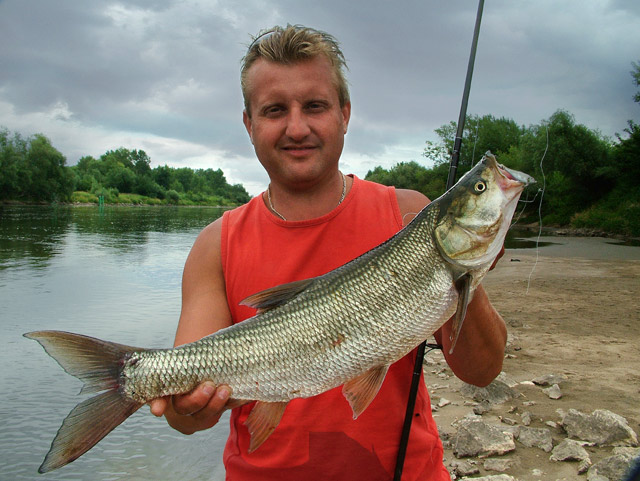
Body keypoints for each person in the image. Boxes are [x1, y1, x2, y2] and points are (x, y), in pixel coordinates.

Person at [150, 24, 507, 480]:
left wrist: (464, 276)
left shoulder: (410, 216)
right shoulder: (215, 245)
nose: (297, 127)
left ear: (344, 114)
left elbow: (482, 371)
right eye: (275, 110)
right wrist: (189, 409)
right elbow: (183, 417)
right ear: (249, 124)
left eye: (315, 106)